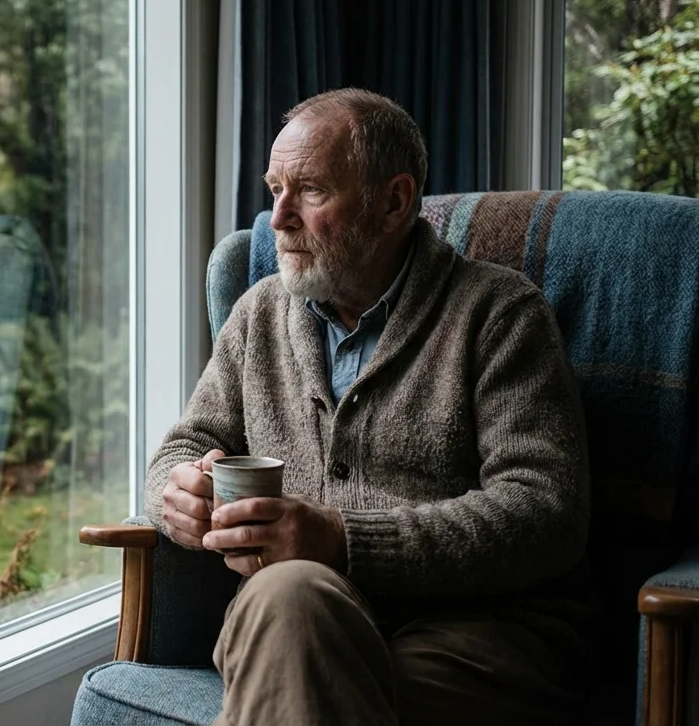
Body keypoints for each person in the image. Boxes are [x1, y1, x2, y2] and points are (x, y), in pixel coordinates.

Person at [148, 88, 593, 726]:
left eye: (310, 191)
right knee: (292, 599)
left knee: (298, 658)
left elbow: (545, 512)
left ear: (393, 202)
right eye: (275, 188)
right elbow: (187, 444)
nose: (278, 218)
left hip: (473, 638)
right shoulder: (260, 314)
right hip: (301, 613)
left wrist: (342, 538)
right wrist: (177, 490)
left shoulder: (500, 314)